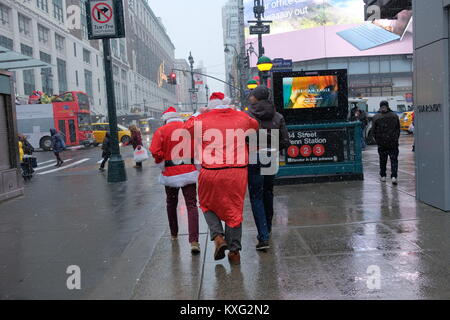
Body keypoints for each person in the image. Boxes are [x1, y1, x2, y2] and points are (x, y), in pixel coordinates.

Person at [185, 92, 259, 265]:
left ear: (210, 105)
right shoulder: (241, 117)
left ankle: (218, 236)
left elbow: (186, 128)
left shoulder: (202, 119)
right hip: (237, 171)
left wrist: (198, 113)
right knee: (234, 209)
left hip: (211, 170)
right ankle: (234, 251)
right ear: (227, 104)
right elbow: (255, 125)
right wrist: (239, 113)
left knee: (206, 204)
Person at [150, 107, 200, 254]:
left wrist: (162, 163)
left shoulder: (161, 131)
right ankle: (194, 241)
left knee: (171, 203)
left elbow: (155, 151)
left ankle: (174, 233)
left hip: (170, 173)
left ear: (166, 118)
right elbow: (198, 148)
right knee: (191, 205)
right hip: (189, 171)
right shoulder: (188, 129)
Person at [246, 86, 290, 250]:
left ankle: (263, 236)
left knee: (256, 196)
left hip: (254, 156)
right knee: (268, 192)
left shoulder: (248, 116)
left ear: (256, 98)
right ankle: (268, 228)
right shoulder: (277, 116)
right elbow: (285, 140)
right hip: (270, 155)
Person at [372, 101, 401, 185]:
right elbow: (398, 129)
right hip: (393, 142)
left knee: (382, 160)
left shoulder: (376, 117)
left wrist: (378, 140)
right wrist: (395, 138)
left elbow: (373, 131)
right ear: (388, 106)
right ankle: (394, 176)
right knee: (394, 160)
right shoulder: (394, 116)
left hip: (382, 143)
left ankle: (383, 175)